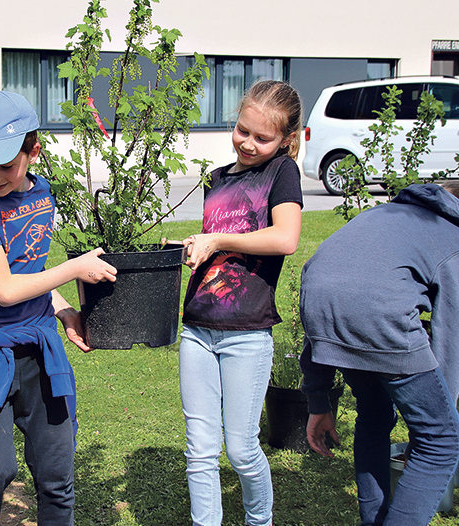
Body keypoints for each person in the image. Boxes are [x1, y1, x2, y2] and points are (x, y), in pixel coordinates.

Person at [0, 90, 117, 526]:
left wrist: (62, 312)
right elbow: (3, 289)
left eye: (6, 164)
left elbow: (29, 270)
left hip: (39, 350)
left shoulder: (42, 195)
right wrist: (74, 268)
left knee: (57, 476)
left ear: (32, 152)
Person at [301, 181, 459, 526]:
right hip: (380, 316)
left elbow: (328, 289)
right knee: (443, 442)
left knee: (376, 413)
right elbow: (453, 337)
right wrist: (437, 426)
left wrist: (319, 401)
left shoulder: (383, 214)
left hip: (319, 304)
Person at [178, 79, 304, 526]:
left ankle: (259, 520)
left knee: (242, 448)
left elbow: (285, 238)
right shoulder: (217, 179)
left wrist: (217, 239)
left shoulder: (282, 173)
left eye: (262, 137)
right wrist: (197, 244)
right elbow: (220, 248)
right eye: (242, 130)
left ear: (287, 140)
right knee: (200, 447)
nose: (247, 143)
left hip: (247, 332)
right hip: (197, 326)